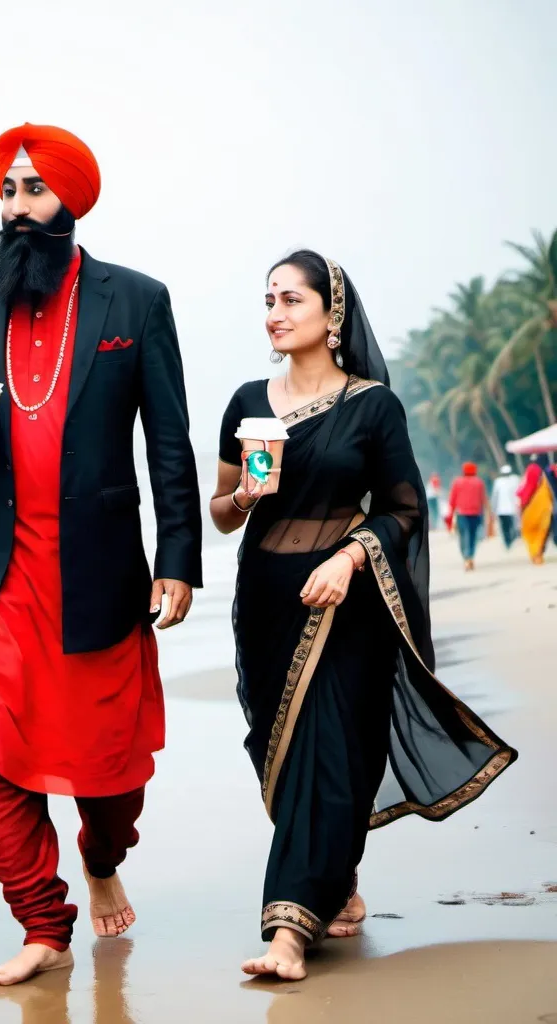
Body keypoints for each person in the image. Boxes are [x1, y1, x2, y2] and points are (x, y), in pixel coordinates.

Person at [0, 123, 203, 986]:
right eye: (7, 190)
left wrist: (179, 556)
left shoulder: (136, 300)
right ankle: (43, 921)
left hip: (100, 570)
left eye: (33, 189)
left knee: (109, 771)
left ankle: (101, 851)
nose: (16, 206)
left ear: (70, 202)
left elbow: (169, 440)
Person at [210, 250, 516, 982]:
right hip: (266, 605)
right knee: (281, 758)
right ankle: (336, 884)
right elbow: (219, 513)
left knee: (333, 753)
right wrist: (247, 497)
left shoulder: (373, 405)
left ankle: (287, 930)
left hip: (350, 604)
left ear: (332, 314)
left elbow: (405, 510)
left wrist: (348, 559)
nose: (275, 313)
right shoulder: (248, 401)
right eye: (269, 300)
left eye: (291, 300)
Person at [448, 462, 491, 570]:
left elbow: (452, 500)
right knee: (472, 536)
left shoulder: (457, 482)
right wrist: (489, 513)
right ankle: (470, 556)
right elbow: (484, 499)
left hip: (462, 514)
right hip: (476, 514)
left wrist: (451, 513)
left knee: (463, 536)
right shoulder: (479, 482)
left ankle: (466, 557)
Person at [517, 453, 556, 565]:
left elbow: (528, 487)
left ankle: (536, 553)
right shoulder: (549, 470)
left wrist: (523, 504)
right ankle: (538, 553)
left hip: (533, 506)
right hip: (546, 505)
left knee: (530, 531)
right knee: (542, 531)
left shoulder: (532, 469)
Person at [491, 465, 521, 550]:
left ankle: (510, 540)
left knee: (511, 527)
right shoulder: (500, 481)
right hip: (503, 509)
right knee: (506, 527)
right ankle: (508, 542)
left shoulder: (514, 479)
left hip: (511, 509)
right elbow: (495, 496)